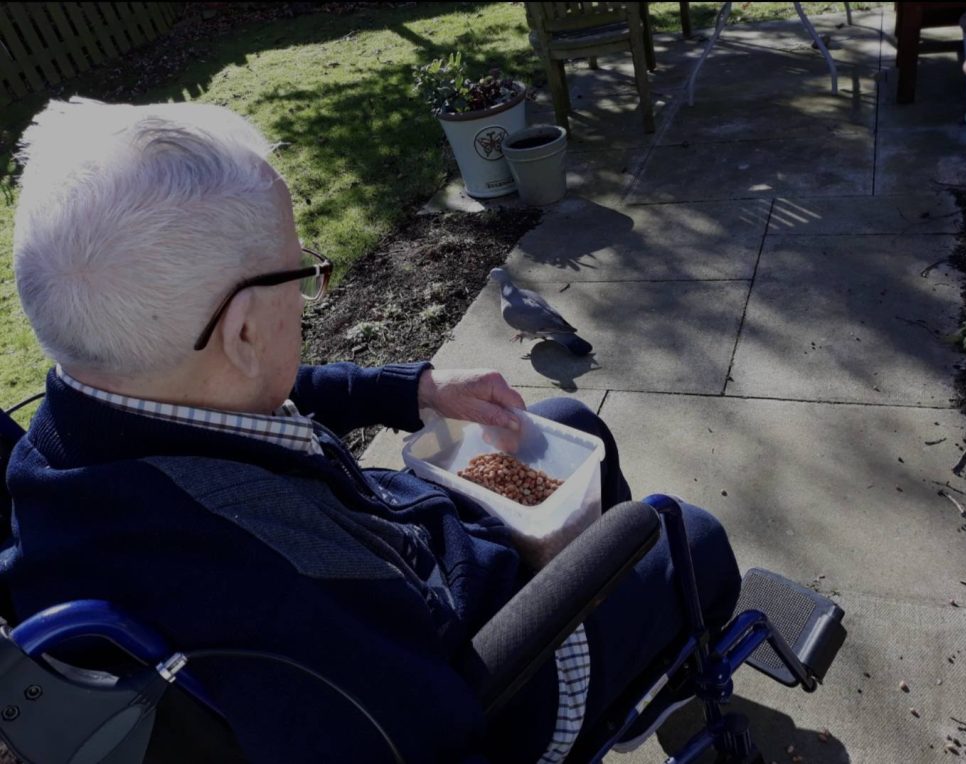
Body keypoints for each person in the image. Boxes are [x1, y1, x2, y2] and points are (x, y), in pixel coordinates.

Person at [1, 98, 741, 763]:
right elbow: (446, 727)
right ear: (244, 333)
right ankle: (659, 654)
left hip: (399, 551)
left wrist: (412, 388)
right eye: (298, 276)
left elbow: (256, 387)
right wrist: (548, 565)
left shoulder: (81, 429)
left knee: (574, 424)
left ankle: (641, 628)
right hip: (494, 673)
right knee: (685, 534)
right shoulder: (280, 593)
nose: (306, 295)